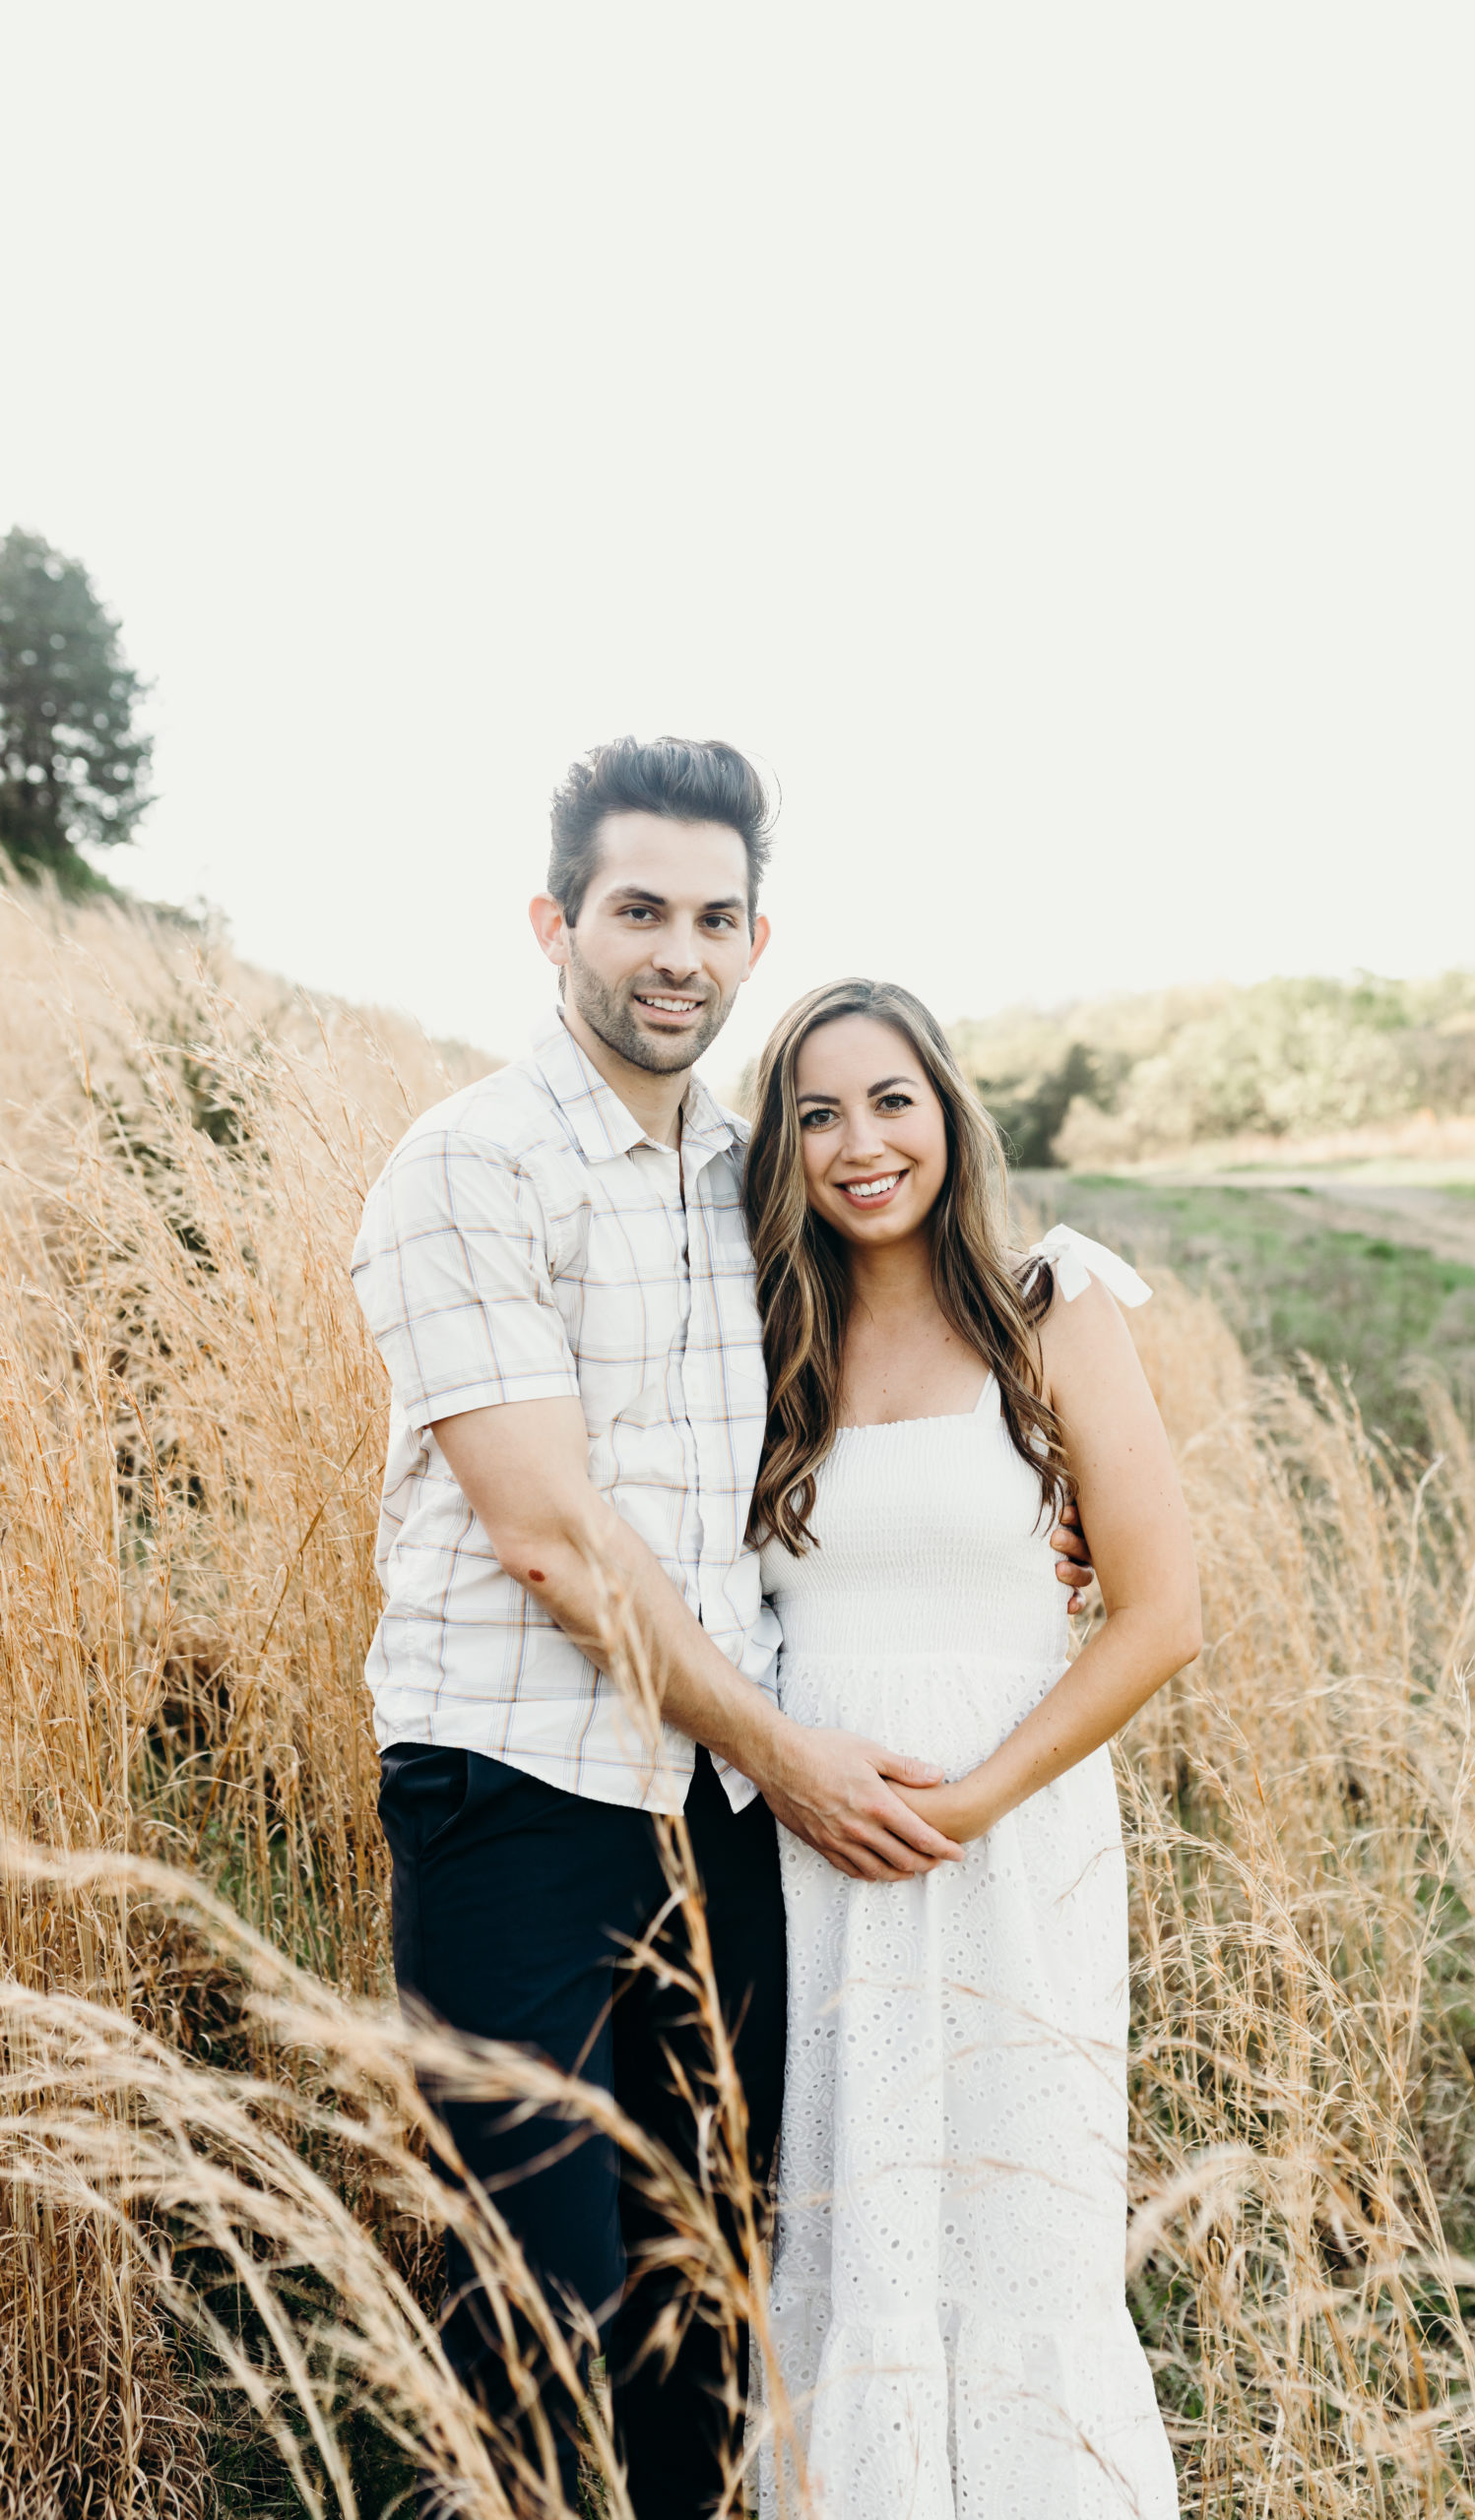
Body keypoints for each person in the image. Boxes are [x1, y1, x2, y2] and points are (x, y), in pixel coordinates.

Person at [350, 738, 1091, 2517]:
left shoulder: (753, 1173)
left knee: (710, 2294)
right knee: (538, 2309)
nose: (675, 953)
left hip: (724, 1824)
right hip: (519, 1791)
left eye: (711, 917)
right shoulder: (469, 1168)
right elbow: (549, 1536)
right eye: (637, 912)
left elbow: (904, 1358)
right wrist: (786, 1753)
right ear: (554, 926)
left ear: (758, 939)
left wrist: (1032, 1504)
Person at [745, 977, 1199, 2520]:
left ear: (947, 1111)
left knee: (1017, 2235)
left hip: (1014, 1850)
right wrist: (802, 1776)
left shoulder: (1049, 1305)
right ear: (783, 1146)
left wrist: (975, 1802)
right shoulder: (761, 1335)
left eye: (892, 1102)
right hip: (814, 1859)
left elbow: (1160, 1613)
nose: (860, 1144)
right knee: (849, 2239)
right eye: (817, 1115)